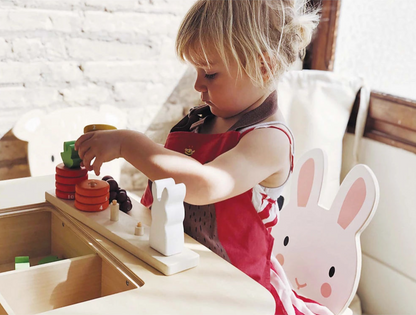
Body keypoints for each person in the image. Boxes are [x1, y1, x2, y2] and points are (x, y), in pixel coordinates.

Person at [75, 1, 332, 314]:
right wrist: (130, 206)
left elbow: (205, 185)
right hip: (178, 272)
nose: (198, 86)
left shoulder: (269, 140)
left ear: (263, 67)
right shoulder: (200, 121)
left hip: (235, 293)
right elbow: (168, 197)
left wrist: (130, 144)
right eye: (196, 70)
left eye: (210, 74)